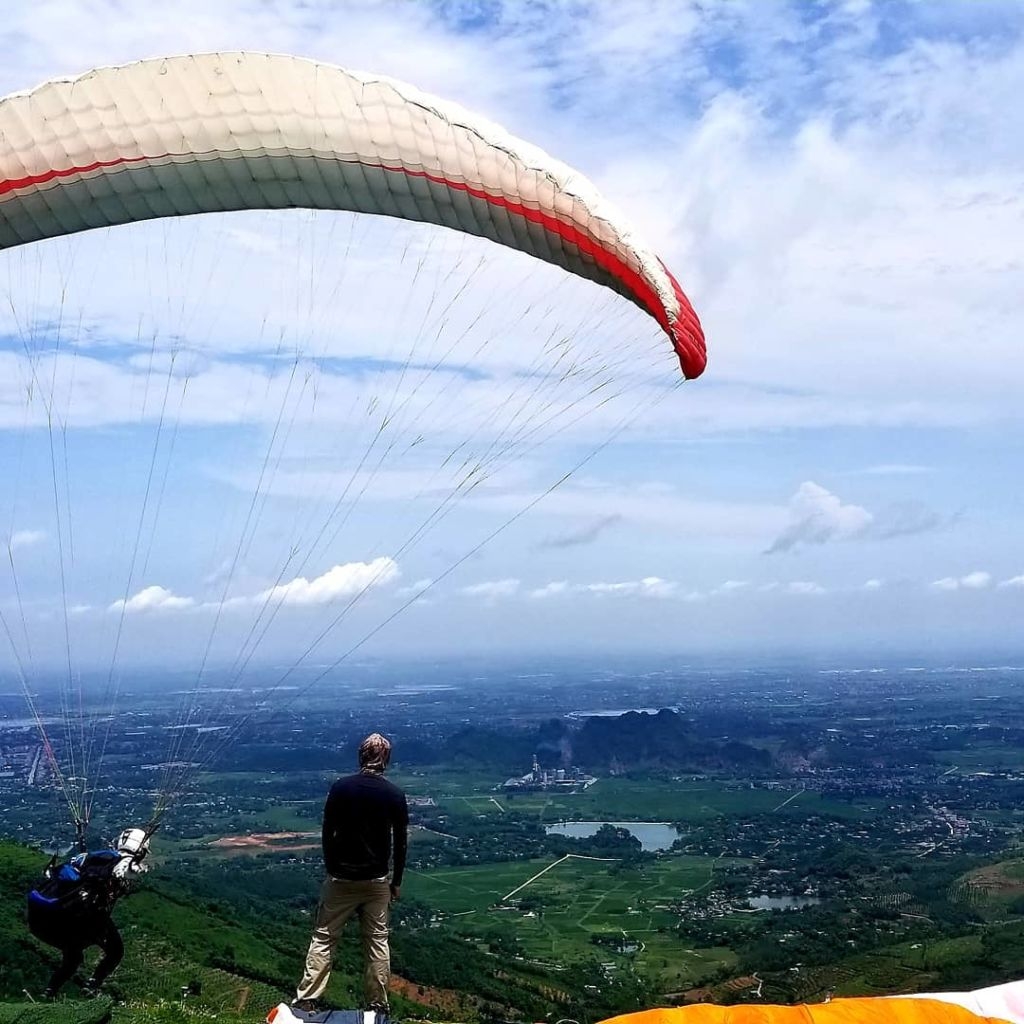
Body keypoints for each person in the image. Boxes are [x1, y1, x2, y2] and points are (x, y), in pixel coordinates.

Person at [293, 733, 408, 1017]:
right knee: (377, 941)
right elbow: (401, 842)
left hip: (341, 879)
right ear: (386, 760)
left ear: (361, 756)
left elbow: (327, 831)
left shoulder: (341, 788)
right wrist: (396, 883)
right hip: (376, 880)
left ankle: (307, 999)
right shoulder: (394, 794)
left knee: (324, 938)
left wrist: (331, 866)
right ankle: (377, 1004)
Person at [27, 827, 151, 998]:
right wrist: (139, 868)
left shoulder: (92, 857)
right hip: (84, 920)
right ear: (141, 849)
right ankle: (92, 986)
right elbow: (128, 871)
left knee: (73, 959)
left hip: (50, 919)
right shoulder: (123, 863)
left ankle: (49, 993)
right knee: (115, 951)